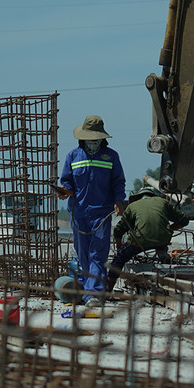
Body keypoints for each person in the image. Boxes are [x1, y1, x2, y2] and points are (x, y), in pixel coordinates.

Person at [55, 115, 126, 304]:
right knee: (83, 253)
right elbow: (67, 180)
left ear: (102, 138)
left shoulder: (111, 156)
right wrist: (64, 191)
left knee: (97, 253)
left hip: (101, 213)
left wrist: (119, 201)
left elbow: (118, 182)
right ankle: (89, 290)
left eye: (95, 139)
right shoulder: (73, 155)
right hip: (79, 212)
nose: (92, 142)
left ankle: (92, 295)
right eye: (89, 138)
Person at [107, 189, 189, 291]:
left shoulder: (133, 206)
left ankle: (107, 288)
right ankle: (163, 255)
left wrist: (120, 248)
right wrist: (170, 228)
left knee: (119, 258)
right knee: (160, 241)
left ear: (138, 197)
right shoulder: (163, 202)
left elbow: (118, 230)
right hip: (163, 239)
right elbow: (184, 220)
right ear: (153, 196)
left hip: (140, 240)